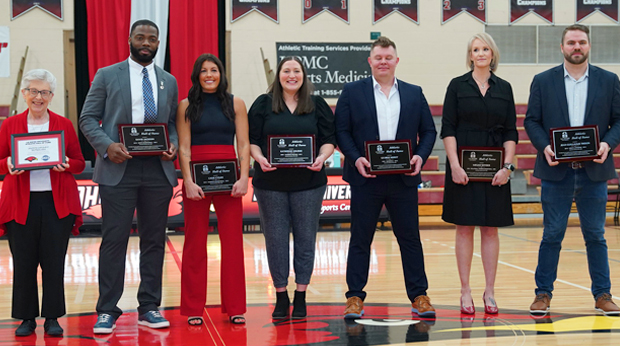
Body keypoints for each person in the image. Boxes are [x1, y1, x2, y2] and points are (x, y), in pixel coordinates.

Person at [79, 19, 179, 333]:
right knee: (114, 241)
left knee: (154, 242)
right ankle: (107, 309)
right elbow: (87, 118)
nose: (146, 42)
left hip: (156, 170)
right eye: (140, 37)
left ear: (159, 43)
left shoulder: (169, 80)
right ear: (130, 39)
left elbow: (172, 122)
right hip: (118, 167)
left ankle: (149, 307)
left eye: (152, 38)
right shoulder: (107, 75)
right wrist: (107, 147)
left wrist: (172, 144)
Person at [335, 36, 437, 318]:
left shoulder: (414, 93)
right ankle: (354, 297)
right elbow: (341, 131)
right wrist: (356, 159)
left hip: (403, 178)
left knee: (410, 239)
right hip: (365, 177)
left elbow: (429, 131)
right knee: (360, 239)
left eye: (388, 57)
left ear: (396, 61)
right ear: (370, 61)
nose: (383, 62)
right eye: (378, 57)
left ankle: (419, 296)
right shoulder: (352, 92)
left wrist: (419, 156)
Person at [524, 24, 620, 316]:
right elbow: (532, 121)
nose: (576, 47)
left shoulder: (609, 80)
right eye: (571, 42)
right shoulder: (542, 80)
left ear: (589, 46)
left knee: (596, 235)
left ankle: (603, 295)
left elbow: (618, 121)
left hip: (594, 172)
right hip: (557, 171)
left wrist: (607, 144)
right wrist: (545, 147)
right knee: (552, 234)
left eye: (581, 42)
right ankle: (542, 294)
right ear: (562, 47)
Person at [248, 56, 336, 319]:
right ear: (279, 75)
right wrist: (259, 157)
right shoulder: (263, 104)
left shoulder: (316, 104)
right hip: (270, 183)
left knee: (306, 240)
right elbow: (251, 140)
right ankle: (280, 295)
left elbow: (329, 139)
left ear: (304, 75)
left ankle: (301, 295)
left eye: (296, 71)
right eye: (287, 71)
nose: (291, 75)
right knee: (275, 241)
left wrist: (322, 157)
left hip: (308, 184)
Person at [0, 69, 85, 336]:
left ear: (51, 96)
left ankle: (52, 317)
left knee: (53, 262)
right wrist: (9, 164)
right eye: (33, 91)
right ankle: (26, 318)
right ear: (25, 94)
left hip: (56, 204)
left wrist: (66, 165)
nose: (39, 97)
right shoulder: (9, 124)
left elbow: (80, 163)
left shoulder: (64, 124)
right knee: (23, 262)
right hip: (19, 204)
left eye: (44, 92)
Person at [440, 33, 518, 315]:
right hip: (463, 170)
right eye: (476, 49)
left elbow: (511, 131)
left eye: (486, 48)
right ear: (470, 55)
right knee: (464, 228)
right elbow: (448, 128)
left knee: (490, 229)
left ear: (492, 54)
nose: (481, 53)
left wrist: (507, 167)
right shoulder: (456, 86)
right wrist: (455, 165)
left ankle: (490, 291)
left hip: (495, 170)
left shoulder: (505, 88)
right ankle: (465, 290)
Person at [177, 54, 249, 325]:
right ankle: (194, 308)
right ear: (196, 75)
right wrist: (188, 180)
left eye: (214, 70)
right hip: (197, 179)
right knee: (195, 244)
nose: (209, 75)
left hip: (230, 180)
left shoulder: (236, 103)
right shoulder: (185, 105)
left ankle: (235, 307)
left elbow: (243, 145)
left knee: (232, 244)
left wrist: (244, 178)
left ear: (221, 73)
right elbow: (184, 148)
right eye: (204, 71)